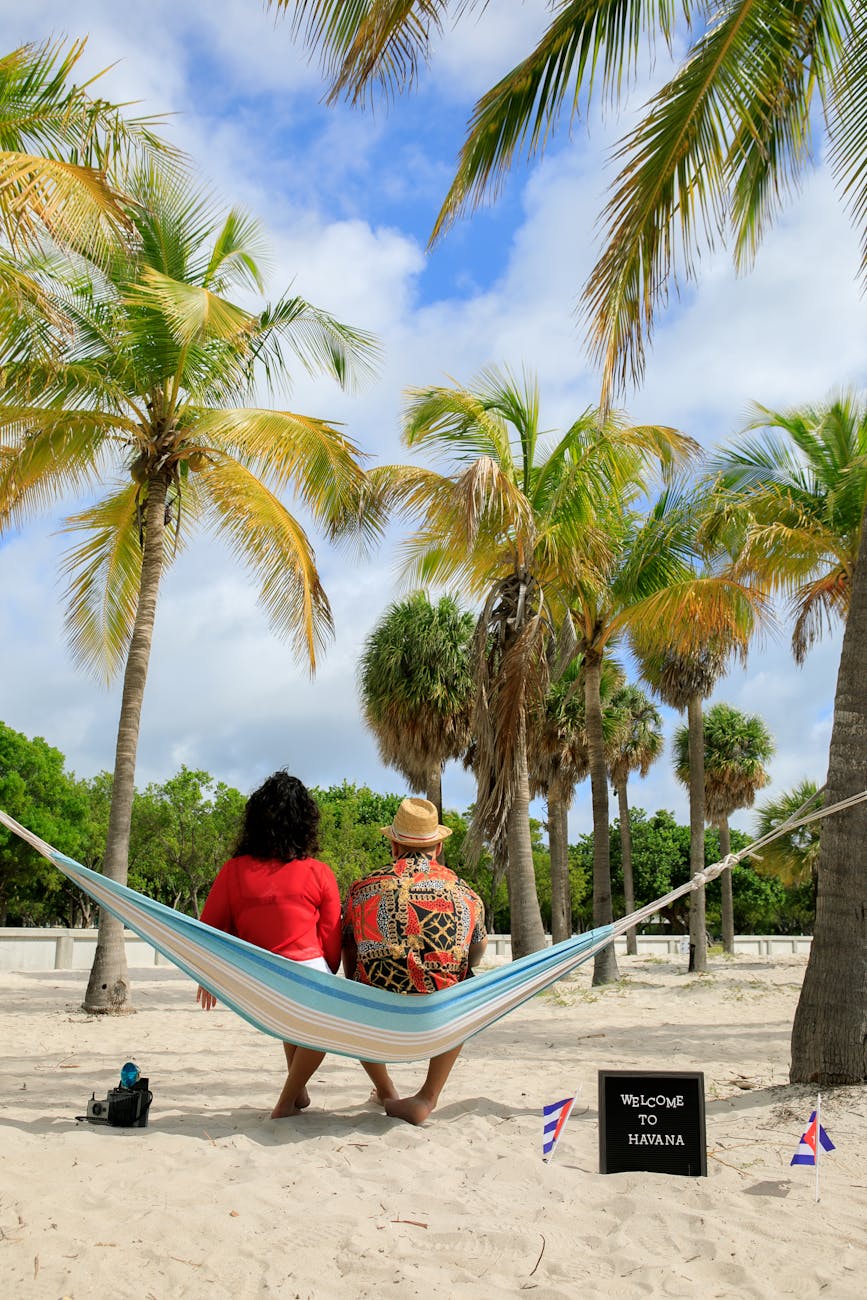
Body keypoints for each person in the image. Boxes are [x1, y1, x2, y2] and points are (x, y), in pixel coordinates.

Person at [195, 770, 341, 1119]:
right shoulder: (319, 872)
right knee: (323, 1023)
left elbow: (208, 929)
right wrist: (331, 975)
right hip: (303, 975)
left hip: (257, 981)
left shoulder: (233, 871)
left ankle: (300, 1093)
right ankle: (286, 1101)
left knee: (290, 1001)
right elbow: (331, 942)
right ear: (305, 823)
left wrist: (208, 975)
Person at [342, 796, 488, 1125]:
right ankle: (427, 1096)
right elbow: (476, 951)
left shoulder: (362, 888)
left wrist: (360, 978)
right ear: (436, 847)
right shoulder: (465, 892)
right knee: (467, 983)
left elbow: (349, 949)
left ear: (394, 845)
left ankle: (386, 1090)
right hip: (440, 1015)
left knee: (353, 988)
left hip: (376, 1012)